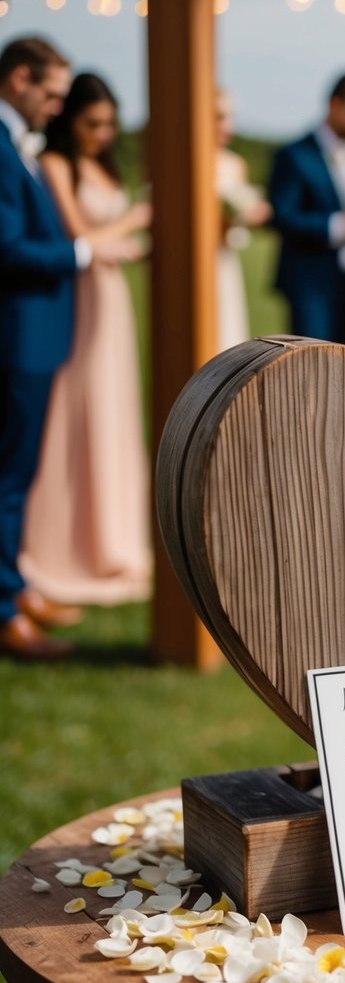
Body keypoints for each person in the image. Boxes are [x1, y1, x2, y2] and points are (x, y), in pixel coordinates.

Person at [0, 37, 122, 660]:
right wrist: (82, 253)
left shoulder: (17, 146)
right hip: (18, 336)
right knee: (10, 475)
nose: (57, 105)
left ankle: (14, 586)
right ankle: (3, 610)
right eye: (51, 93)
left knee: (19, 471)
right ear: (19, 78)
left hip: (39, 335)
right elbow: (8, 247)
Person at [19, 72, 152, 605]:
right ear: (70, 120)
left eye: (109, 124)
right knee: (82, 409)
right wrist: (135, 220)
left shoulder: (103, 166)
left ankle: (116, 537)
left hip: (113, 296)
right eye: (92, 123)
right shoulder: (55, 165)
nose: (102, 133)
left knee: (115, 409)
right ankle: (68, 543)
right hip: (82, 296)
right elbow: (78, 236)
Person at [267, 73, 345, 344]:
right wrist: (344, 225)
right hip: (309, 283)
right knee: (311, 369)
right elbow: (282, 218)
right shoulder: (294, 155)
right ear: (334, 104)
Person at [215, 89, 271, 351]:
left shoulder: (235, 164)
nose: (226, 125)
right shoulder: (186, 162)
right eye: (218, 117)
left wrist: (249, 215)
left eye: (229, 117)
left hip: (224, 259)